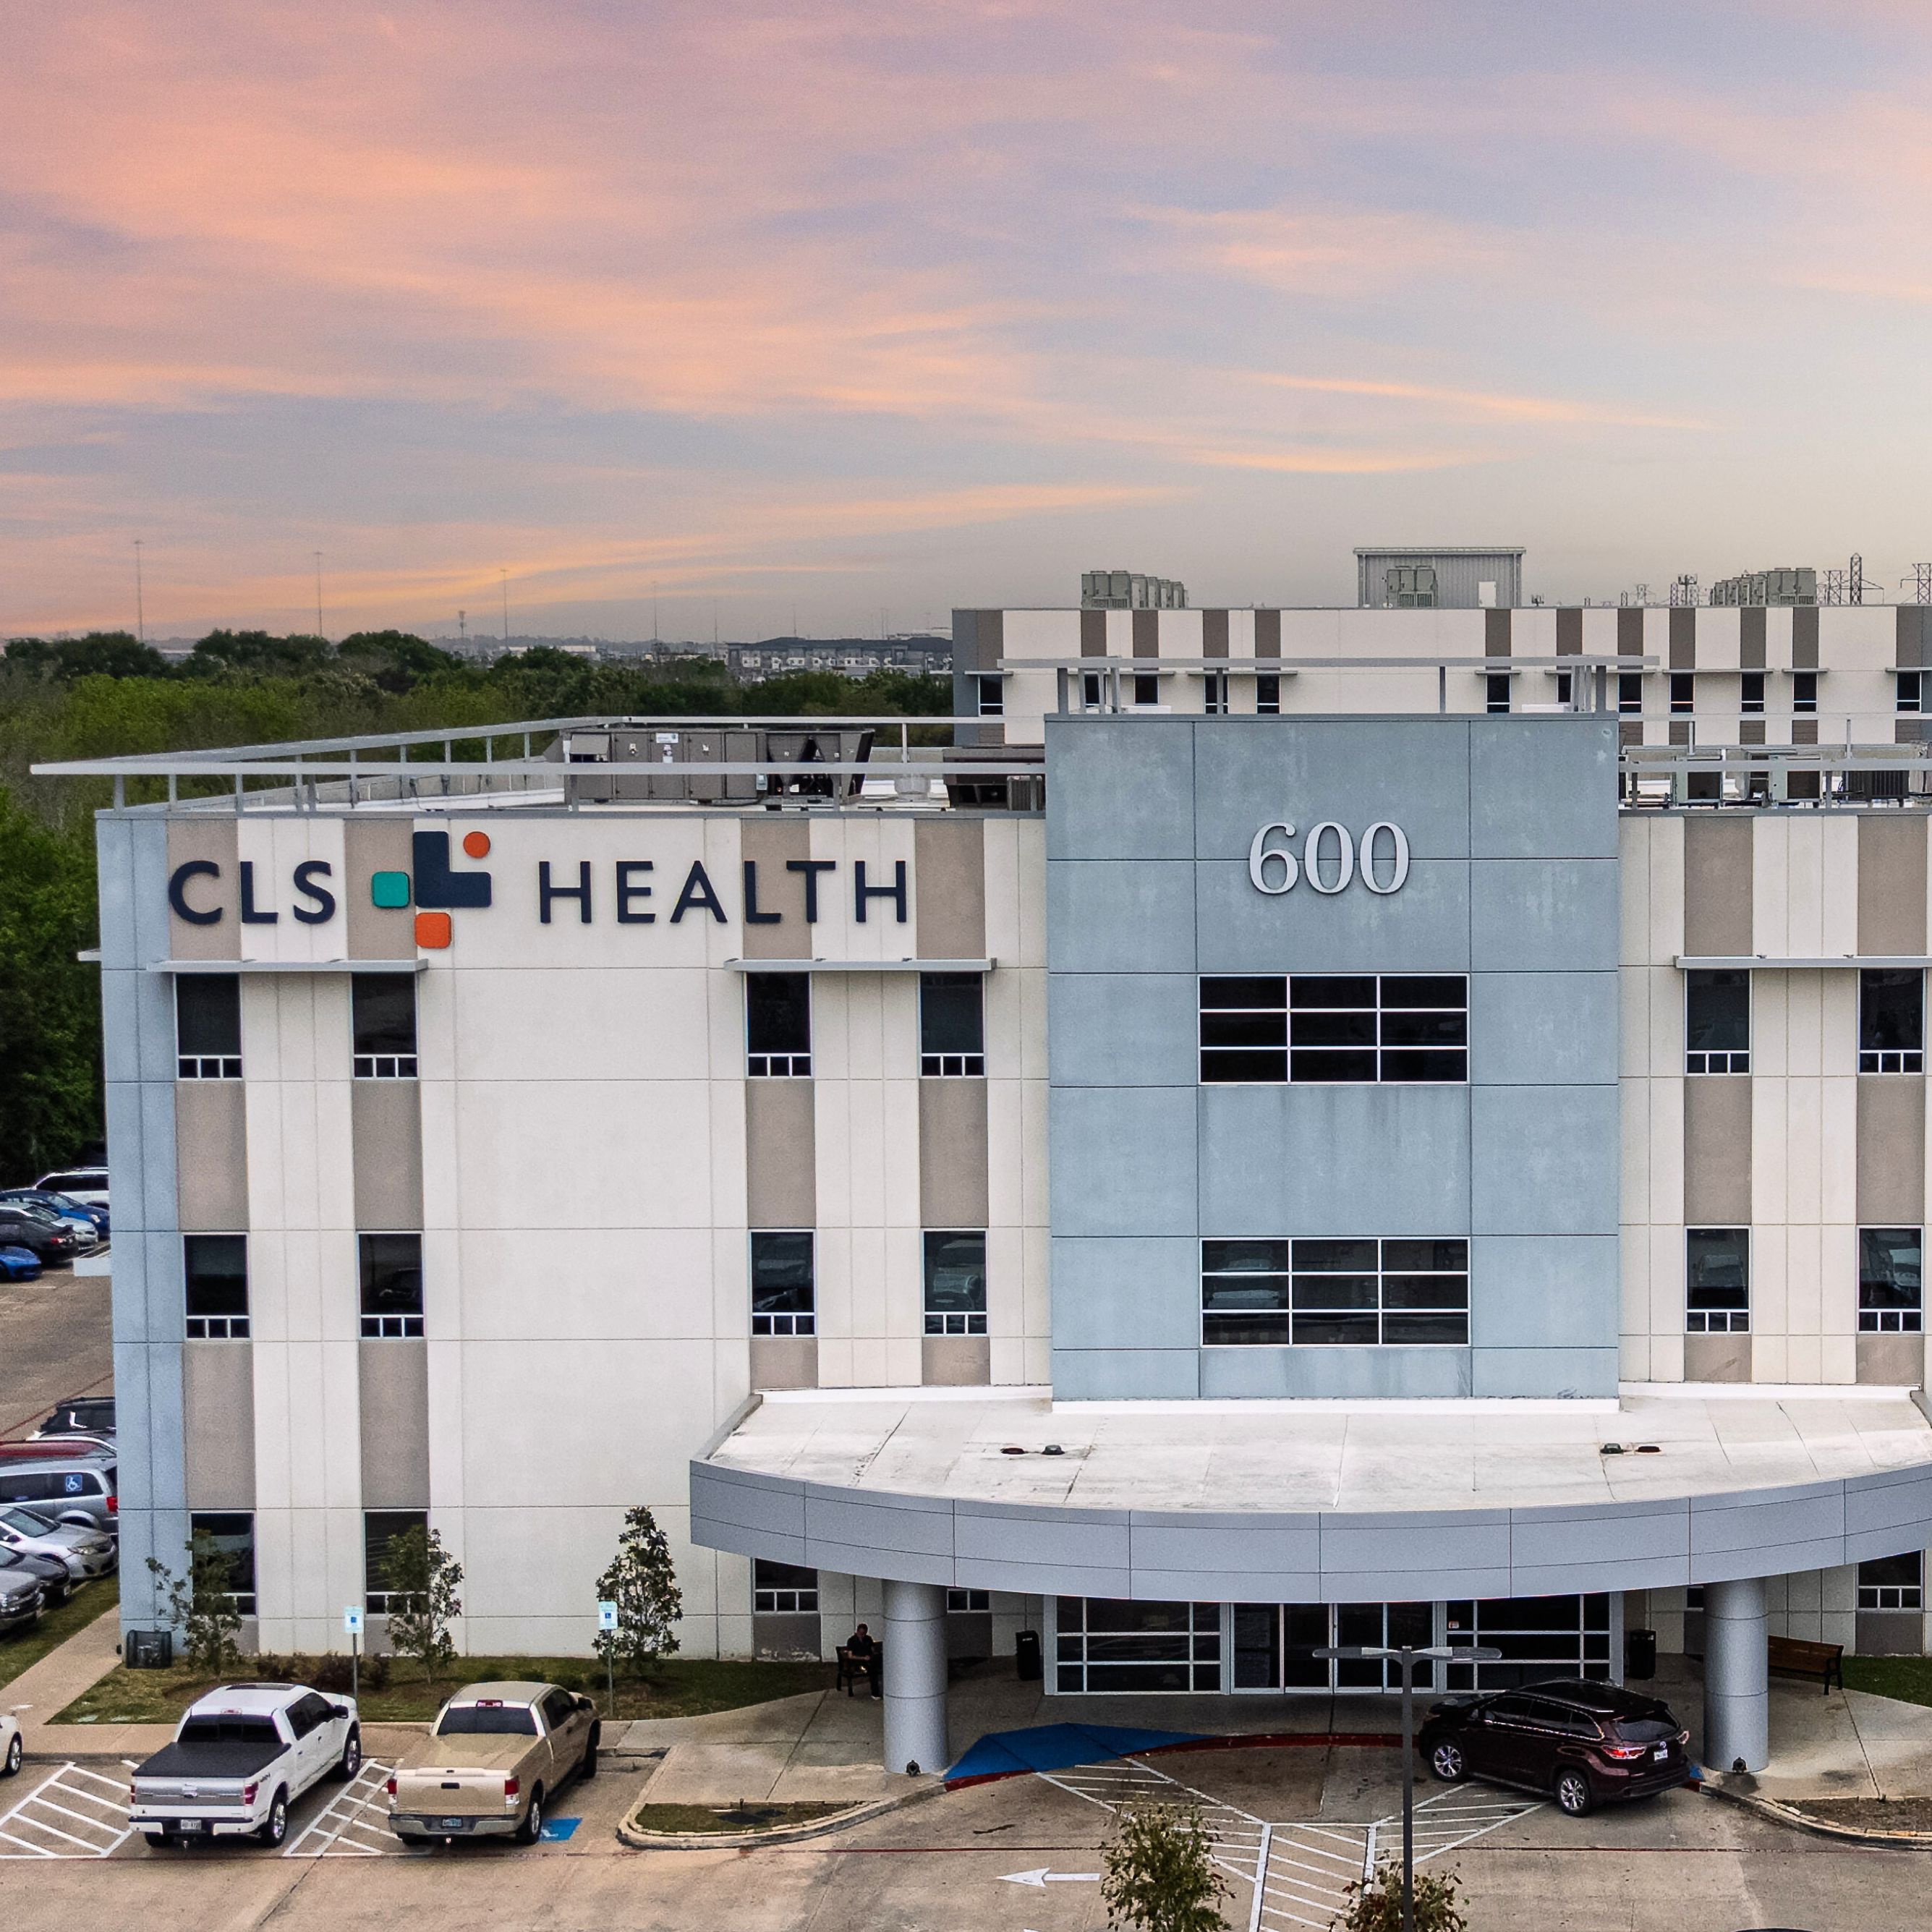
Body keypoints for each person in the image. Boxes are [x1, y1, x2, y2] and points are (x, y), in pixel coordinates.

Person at [846, 1622, 880, 1696]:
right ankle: (875, 1693)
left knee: (874, 1666)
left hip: (869, 1661)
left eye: (864, 1633)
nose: (862, 1635)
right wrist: (863, 1658)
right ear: (857, 1631)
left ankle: (876, 1692)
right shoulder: (852, 1641)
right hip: (858, 1664)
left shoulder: (868, 1639)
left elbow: (873, 1650)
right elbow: (850, 1656)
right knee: (872, 1670)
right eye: (861, 1633)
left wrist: (870, 1656)